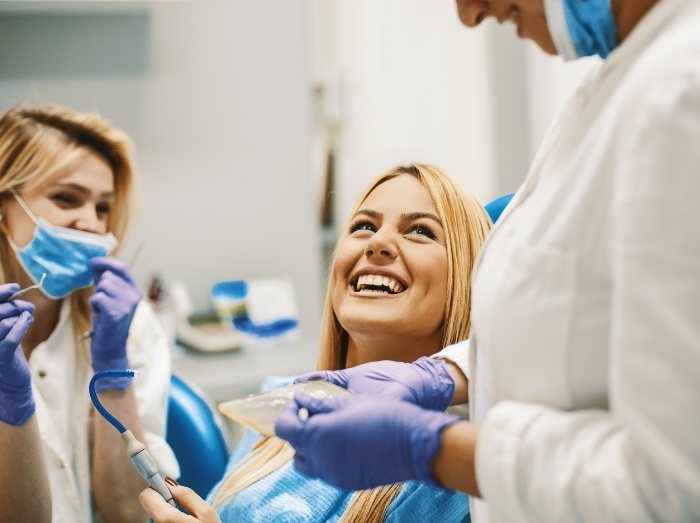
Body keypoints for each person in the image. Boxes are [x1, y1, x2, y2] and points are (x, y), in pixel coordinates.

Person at [271, 1, 700, 522]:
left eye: (421, 231)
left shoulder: (681, 93)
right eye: (362, 224)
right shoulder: (622, 81)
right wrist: (447, 373)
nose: (469, 14)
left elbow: (676, 485)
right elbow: (581, 329)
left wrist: (432, 448)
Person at [139, 163, 492, 522]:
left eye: (419, 231)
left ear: (467, 278)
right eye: (363, 226)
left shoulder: (456, 472)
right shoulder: (278, 403)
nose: (378, 243)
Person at [0, 104, 178, 523]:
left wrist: (112, 370)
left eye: (102, 208)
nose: (92, 225)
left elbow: (127, 513)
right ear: (3, 209)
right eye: (66, 198)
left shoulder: (126, 325)